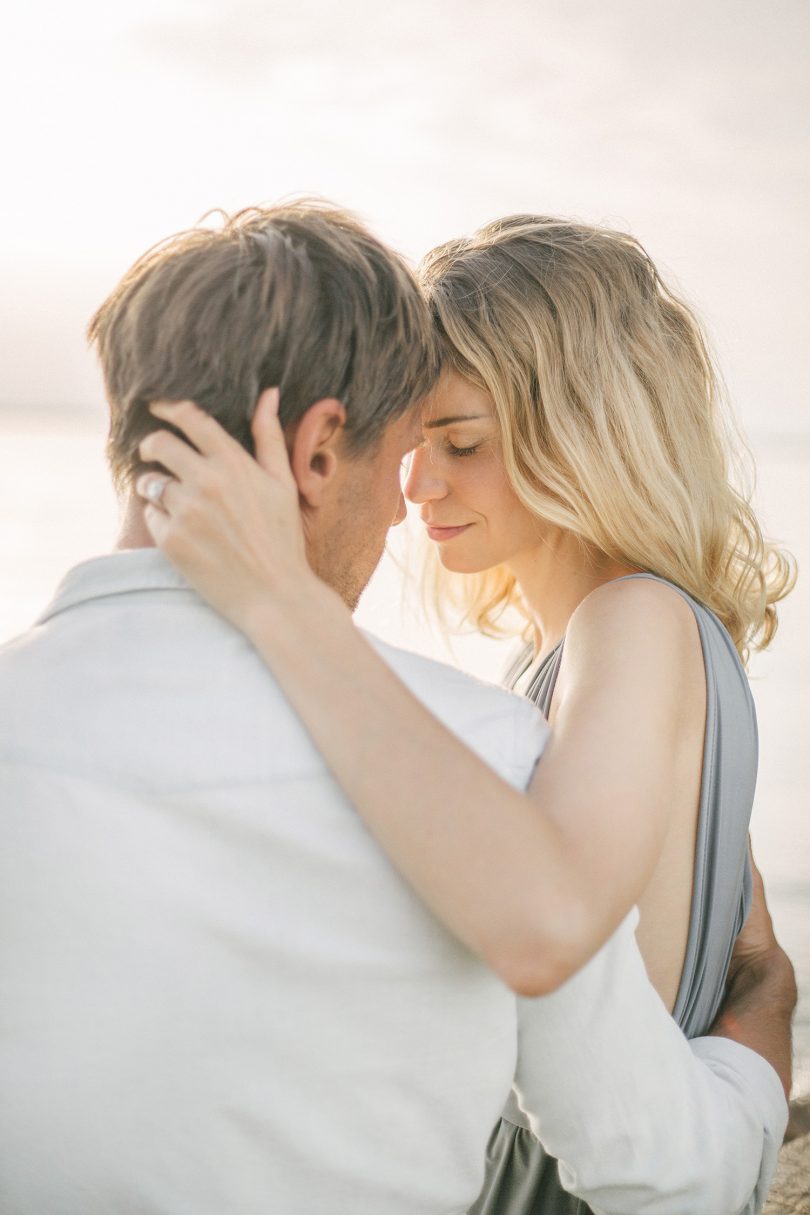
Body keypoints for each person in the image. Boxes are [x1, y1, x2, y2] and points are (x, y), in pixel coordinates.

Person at [0, 203, 793, 1215]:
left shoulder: (629, 621)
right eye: (416, 441)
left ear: (585, 431)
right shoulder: (552, 672)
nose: (416, 486)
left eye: (458, 441)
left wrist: (279, 602)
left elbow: (549, 922)